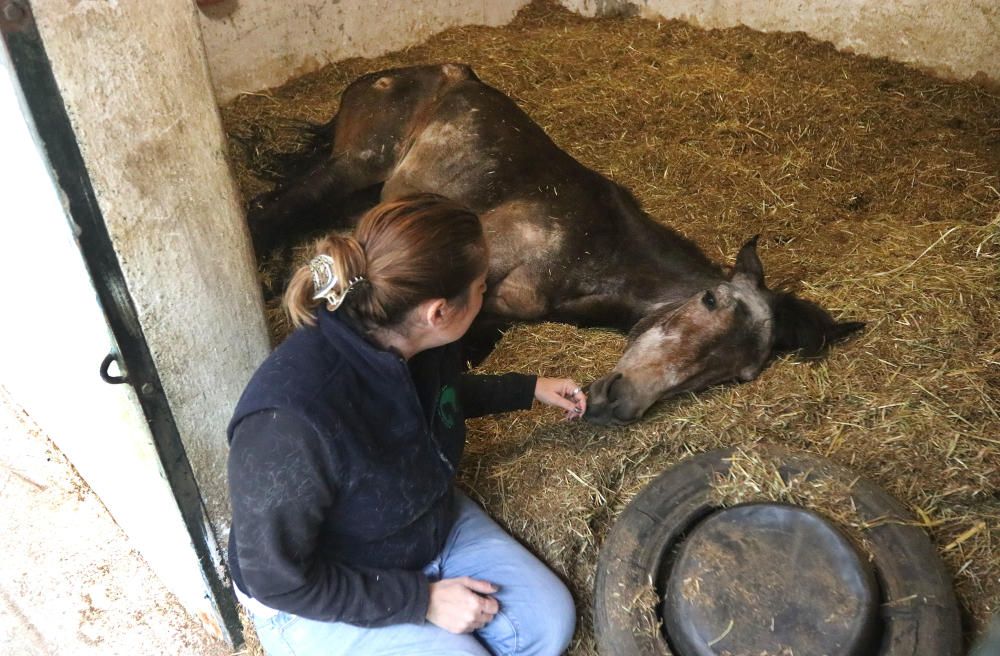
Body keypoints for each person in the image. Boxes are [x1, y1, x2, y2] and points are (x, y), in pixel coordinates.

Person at [227, 194, 585, 656]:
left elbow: (433, 402)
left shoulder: (410, 340)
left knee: (546, 625)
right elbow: (276, 579)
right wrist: (421, 601)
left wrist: (528, 387)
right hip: (321, 587)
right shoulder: (289, 423)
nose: (487, 293)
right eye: (482, 286)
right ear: (438, 312)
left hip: (419, 522)